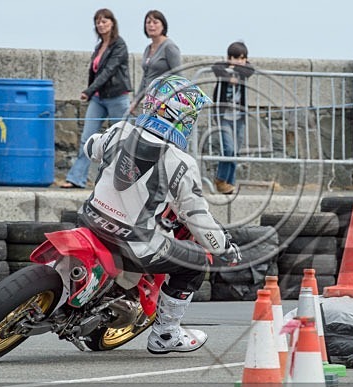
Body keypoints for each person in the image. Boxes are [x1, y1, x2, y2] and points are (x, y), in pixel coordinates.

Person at [79, 75, 241, 355]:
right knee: (197, 262)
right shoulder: (180, 162)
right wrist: (224, 248)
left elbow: (90, 147)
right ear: (181, 117)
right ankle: (166, 334)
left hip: (90, 220)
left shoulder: (119, 131)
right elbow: (197, 217)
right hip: (133, 243)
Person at [62, 8, 132, 189]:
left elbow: (109, 71)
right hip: (99, 98)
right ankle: (76, 178)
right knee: (87, 138)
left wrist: (89, 90)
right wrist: (92, 92)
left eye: (104, 21)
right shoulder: (99, 46)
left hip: (117, 97)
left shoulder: (119, 45)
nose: (101, 25)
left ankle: (126, 180)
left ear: (112, 23)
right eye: (98, 22)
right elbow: (95, 73)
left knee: (121, 140)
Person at [211, 41, 255, 195]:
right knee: (228, 148)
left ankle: (230, 184)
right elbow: (215, 67)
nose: (239, 61)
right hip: (224, 115)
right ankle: (221, 179)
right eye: (236, 58)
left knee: (235, 151)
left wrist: (236, 68)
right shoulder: (222, 68)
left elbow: (250, 70)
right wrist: (229, 77)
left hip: (239, 116)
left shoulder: (244, 71)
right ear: (229, 57)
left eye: (242, 58)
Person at [137, 10, 182, 96]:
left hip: (165, 97)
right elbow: (145, 77)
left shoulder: (169, 47)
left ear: (163, 26)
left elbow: (178, 75)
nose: (151, 25)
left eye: (155, 22)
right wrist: (136, 99)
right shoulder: (148, 49)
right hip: (151, 98)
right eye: (148, 22)